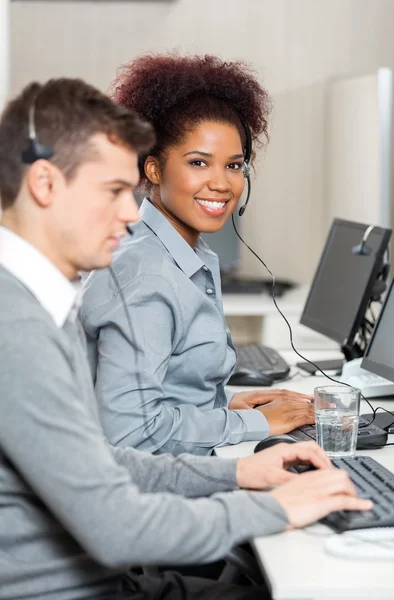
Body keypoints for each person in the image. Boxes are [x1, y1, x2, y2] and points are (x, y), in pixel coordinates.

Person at [0, 77, 372, 600]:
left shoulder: (39, 302)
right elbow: (116, 525)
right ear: (44, 184)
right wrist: (276, 506)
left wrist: (241, 471)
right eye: (113, 192)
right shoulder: (16, 326)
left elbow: (105, 462)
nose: (132, 213)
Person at [80, 53, 315, 456]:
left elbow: (162, 389)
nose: (221, 183)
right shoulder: (146, 277)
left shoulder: (180, 254)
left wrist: (219, 406)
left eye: (235, 165)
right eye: (199, 162)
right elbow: (128, 432)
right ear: (153, 169)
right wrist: (253, 423)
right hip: (139, 497)